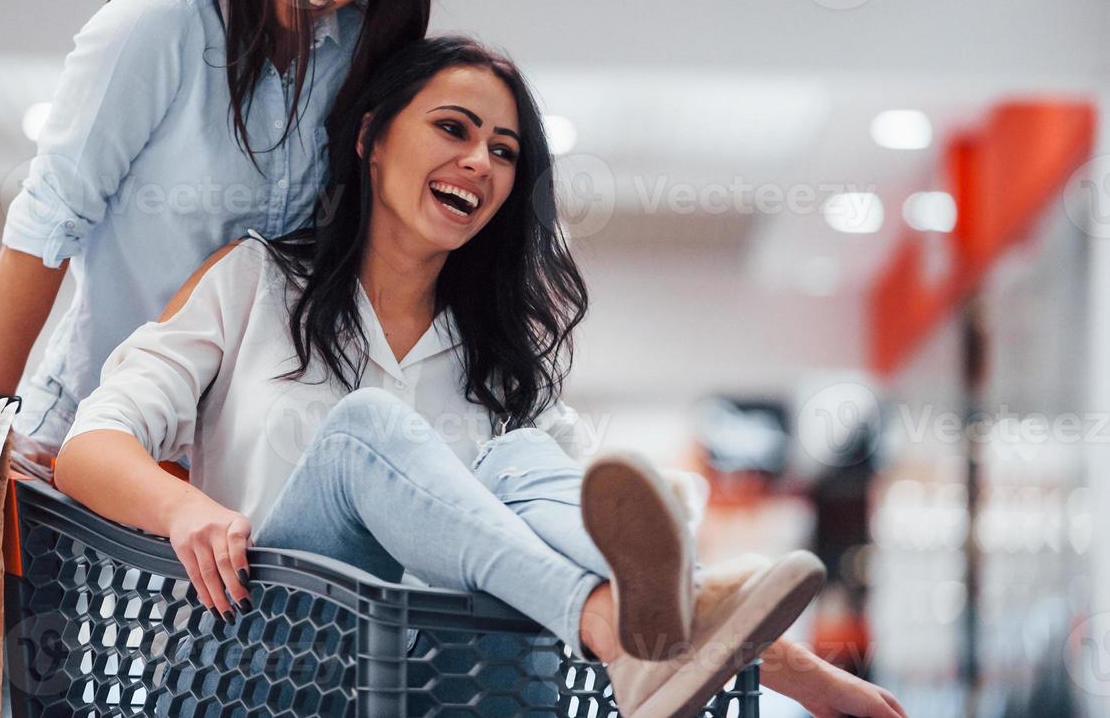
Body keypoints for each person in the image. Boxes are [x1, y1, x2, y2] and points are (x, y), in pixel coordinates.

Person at [54, 36, 908, 717]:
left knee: (523, 465)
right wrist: (188, 510)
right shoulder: (256, 283)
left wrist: (817, 685)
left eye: (503, 150)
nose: (481, 162)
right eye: (454, 129)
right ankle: (608, 633)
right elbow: (88, 448)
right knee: (369, 433)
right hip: (258, 670)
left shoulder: (502, 360)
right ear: (371, 136)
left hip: (441, 693)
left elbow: (610, 540)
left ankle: (644, 635)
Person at [0, 0, 440, 462]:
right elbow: (50, 219)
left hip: (240, 461)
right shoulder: (160, 21)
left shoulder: (354, 51)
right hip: (86, 439)